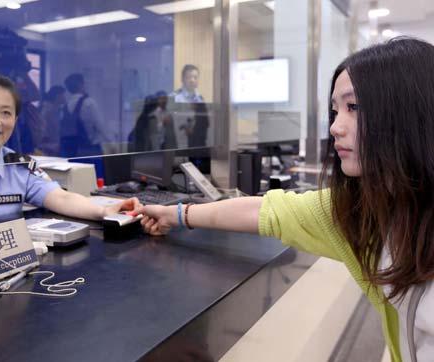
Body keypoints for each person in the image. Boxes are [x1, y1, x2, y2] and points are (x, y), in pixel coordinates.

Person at [137, 38, 434, 362]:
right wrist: (177, 213)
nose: (335, 126)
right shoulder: (364, 210)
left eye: (355, 108)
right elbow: (268, 210)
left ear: (410, 114)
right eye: (335, 111)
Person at [0, 73, 140, 220]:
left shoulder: (19, 167)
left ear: (15, 120)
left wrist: (105, 211)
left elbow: (61, 198)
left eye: (5, 113)